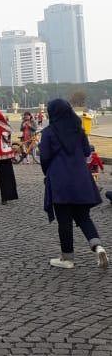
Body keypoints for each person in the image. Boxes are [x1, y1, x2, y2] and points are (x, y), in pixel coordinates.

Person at [39, 99, 108, 269]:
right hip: (81, 177)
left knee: (64, 221)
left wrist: (48, 173)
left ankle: (67, 258)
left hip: (59, 179)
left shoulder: (48, 132)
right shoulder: (79, 130)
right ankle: (98, 247)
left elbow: (44, 157)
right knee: (84, 217)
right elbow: (86, 152)